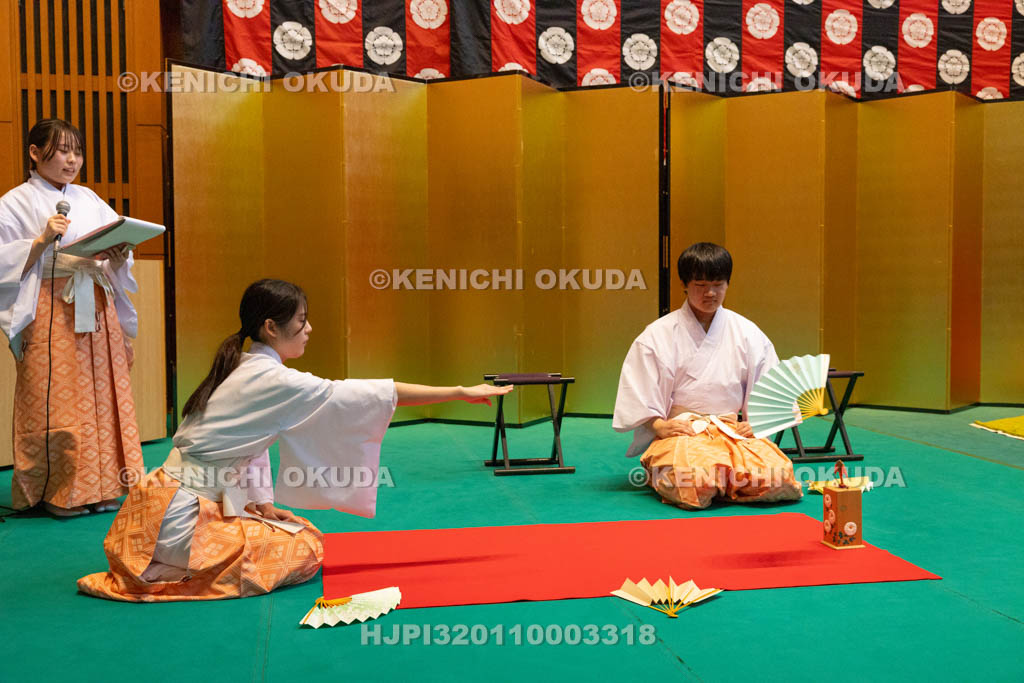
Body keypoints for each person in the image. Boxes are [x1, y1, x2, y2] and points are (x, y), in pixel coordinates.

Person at [78, 278, 513, 601]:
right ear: (271, 326)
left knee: (294, 528)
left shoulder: (239, 364)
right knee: (304, 547)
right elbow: (368, 394)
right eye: (301, 321)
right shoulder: (272, 379)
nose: (308, 329)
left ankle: (165, 557)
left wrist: (260, 504)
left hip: (158, 503)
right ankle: (163, 565)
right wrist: (458, 392)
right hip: (176, 518)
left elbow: (250, 446)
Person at [0, 118, 142, 517]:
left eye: (76, 152)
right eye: (62, 150)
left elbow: (116, 238)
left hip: (95, 298)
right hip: (50, 302)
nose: (72, 160)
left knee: (103, 392)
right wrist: (41, 240)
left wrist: (118, 254)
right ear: (34, 152)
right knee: (55, 394)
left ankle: (103, 487)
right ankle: (58, 490)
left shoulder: (89, 198)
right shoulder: (14, 202)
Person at [612, 242, 802, 509]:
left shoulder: (748, 333)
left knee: (778, 478)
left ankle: (725, 482)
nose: (710, 293)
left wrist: (760, 422)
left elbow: (772, 387)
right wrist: (659, 426)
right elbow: (639, 391)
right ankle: (715, 481)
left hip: (732, 431)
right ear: (685, 284)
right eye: (700, 285)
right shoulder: (657, 335)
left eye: (718, 284)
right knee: (694, 482)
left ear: (728, 284)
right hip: (682, 431)